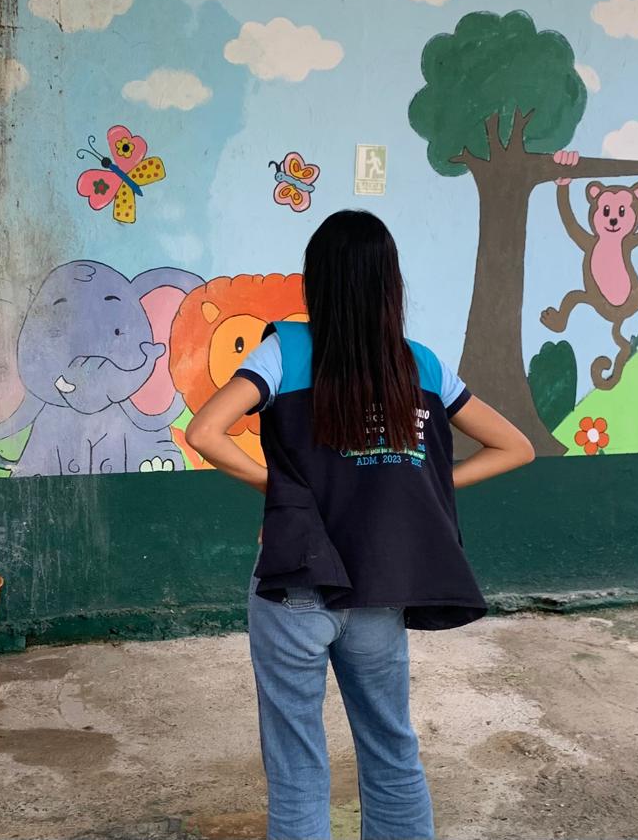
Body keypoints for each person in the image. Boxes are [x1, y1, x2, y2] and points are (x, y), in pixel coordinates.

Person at [186, 209, 535, 840]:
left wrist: (280, 489)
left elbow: (204, 431)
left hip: (294, 583)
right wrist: (426, 486)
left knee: (297, 765)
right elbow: (516, 446)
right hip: (380, 587)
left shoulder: (284, 351)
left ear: (315, 282)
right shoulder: (421, 365)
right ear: (390, 284)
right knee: (391, 750)